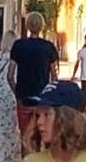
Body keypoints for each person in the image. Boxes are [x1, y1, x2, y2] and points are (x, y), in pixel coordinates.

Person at [9, 9, 60, 139]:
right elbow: (54, 76)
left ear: (27, 25)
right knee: (41, 134)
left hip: (23, 96)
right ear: (41, 26)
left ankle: (26, 152)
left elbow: (10, 75)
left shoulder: (19, 45)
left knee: (24, 135)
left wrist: (17, 92)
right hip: (42, 97)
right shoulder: (48, 47)